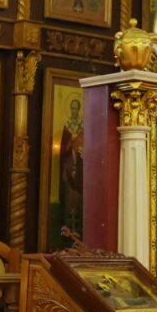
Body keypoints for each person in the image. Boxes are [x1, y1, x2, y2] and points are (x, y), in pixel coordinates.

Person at [59, 97, 84, 237]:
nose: (74, 111)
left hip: (80, 174)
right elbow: (64, 149)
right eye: (72, 108)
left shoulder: (83, 126)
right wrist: (69, 146)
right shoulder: (67, 126)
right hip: (70, 173)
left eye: (76, 108)